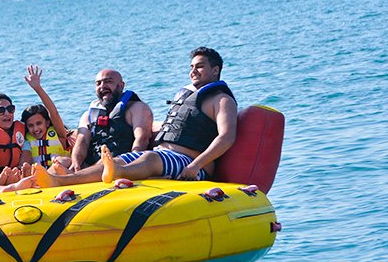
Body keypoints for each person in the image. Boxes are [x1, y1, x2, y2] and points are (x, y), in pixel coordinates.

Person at [33, 47, 237, 186]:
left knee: (149, 157)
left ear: (215, 70)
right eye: (191, 67)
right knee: (114, 160)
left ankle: (116, 172)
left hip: (190, 163)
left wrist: (196, 165)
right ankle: (60, 181)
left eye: (199, 66)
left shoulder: (222, 100)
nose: (193, 71)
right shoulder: (189, 97)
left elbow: (226, 137)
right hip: (164, 155)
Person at [69, 69, 153, 172]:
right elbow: (82, 142)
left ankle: (75, 176)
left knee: (105, 163)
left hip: (120, 164)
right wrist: (76, 163)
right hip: (92, 165)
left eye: (108, 81)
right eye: (98, 83)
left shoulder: (137, 108)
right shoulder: (88, 115)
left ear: (121, 85)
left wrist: (132, 165)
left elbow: (142, 139)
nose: (102, 86)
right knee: (62, 161)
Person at [20, 65, 72, 170]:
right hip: (39, 174)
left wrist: (38, 88)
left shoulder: (59, 133)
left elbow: (54, 113)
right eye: (31, 125)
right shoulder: (25, 140)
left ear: (47, 122)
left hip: (59, 171)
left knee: (62, 160)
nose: (35, 128)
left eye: (39, 123)